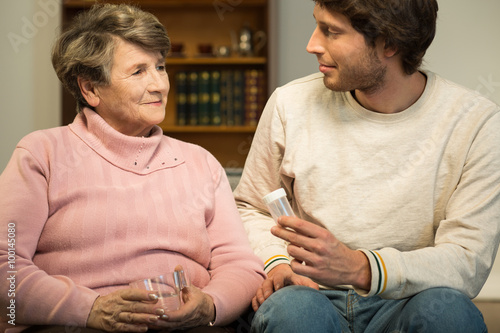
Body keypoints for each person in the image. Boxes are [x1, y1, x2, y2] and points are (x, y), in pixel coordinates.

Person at [233, 0, 500, 332]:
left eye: (331, 31)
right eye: (317, 25)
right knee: (294, 314)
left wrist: (360, 268)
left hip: (407, 298)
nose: (312, 44)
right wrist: (277, 264)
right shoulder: (289, 104)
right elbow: (252, 207)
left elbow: (466, 259)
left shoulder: (478, 124)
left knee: (450, 316)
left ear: (389, 43)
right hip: (309, 292)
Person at [0, 4, 265, 333]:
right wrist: (89, 308)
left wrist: (210, 304)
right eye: (139, 71)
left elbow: (241, 264)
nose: (159, 85)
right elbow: (5, 266)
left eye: (161, 67)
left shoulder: (201, 162)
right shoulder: (42, 154)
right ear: (90, 89)